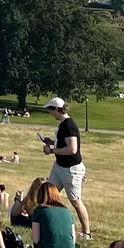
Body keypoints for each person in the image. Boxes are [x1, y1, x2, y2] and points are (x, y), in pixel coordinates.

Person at [41, 97, 90, 240]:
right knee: (48, 194)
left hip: (71, 169)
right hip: (59, 166)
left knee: (75, 200)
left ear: (56, 109)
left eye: (51, 110)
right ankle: (47, 223)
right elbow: (64, 143)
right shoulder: (63, 125)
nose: (51, 114)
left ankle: (86, 233)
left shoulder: (69, 125)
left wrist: (51, 151)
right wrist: (51, 141)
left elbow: (72, 149)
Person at [28, 183, 79, 248]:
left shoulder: (39, 211)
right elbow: (73, 240)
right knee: (77, 246)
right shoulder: (67, 212)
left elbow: (35, 239)